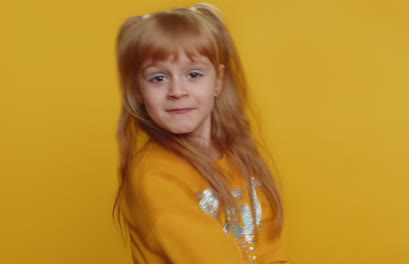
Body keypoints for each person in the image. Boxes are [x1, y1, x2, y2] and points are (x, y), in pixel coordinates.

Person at [112, 3, 295, 263]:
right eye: (158, 78)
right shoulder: (154, 176)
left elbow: (272, 252)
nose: (177, 90)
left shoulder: (241, 159)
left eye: (194, 74)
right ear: (138, 90)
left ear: (217, 81)